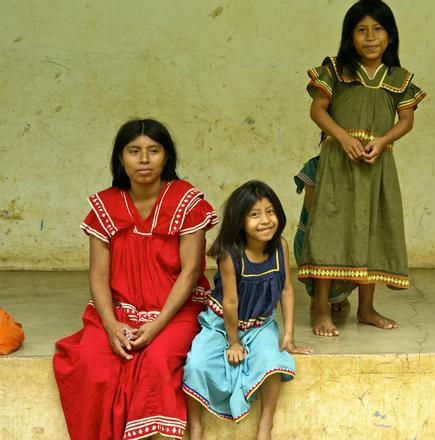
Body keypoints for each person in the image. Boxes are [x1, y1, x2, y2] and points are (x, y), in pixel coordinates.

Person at [53, 119, 218, 439]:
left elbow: (191, 272)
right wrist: (112, 325)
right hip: (118, 310)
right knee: (91, 362)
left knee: (156, 361)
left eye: (153, 151)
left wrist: (156, 326)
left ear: (166, 157)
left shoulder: (187, 202)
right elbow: (98, 276)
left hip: (178, 311)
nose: (144, 159)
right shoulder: (105, 206)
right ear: (120, 158)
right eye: (134, 151)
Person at [298, 0, 426, 336]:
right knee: (330, 230)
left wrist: (382, 142)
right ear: (350, 36)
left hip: (376, 165)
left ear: (390, 36)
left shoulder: (399, 78)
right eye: (361, 29)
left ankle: (367, 309)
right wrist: (341, 137)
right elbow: (318, 110)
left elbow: (407, 119)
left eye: (378, 29)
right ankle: (322, 309)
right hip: (339, 163)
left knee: (373, 230)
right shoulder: (337, 69)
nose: (370, 37)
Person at [183, 180, 311, 440]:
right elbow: (230, 302)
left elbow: (286, 289)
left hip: (260, 323)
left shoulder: (280, 247)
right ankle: (195, 426)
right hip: (221, 323)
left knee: (272, 362)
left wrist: (288, 335)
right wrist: (233, 343)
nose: (265, 220)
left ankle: (266, 427)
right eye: (254, 214)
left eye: (270, 211)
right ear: (238, 221)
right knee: (196, 364)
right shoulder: (230, 254)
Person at [293, 154, 355, 311]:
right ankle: (318, 298)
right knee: (318, 261)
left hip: (344, 232)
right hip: (316, 230)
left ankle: (337, 298)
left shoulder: (356, 167)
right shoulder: (315, 166)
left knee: (345, 263)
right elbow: (311, 205)